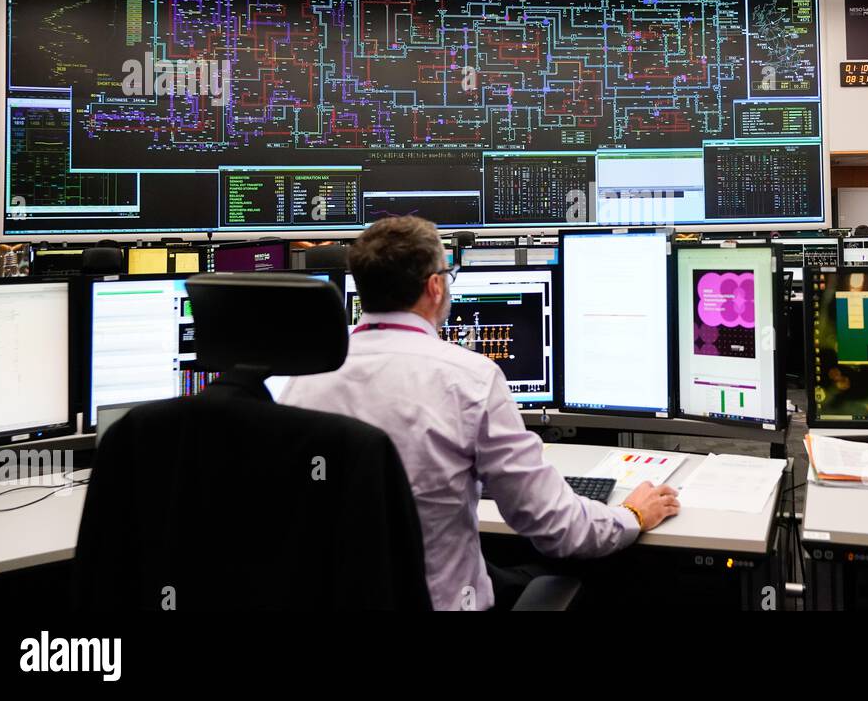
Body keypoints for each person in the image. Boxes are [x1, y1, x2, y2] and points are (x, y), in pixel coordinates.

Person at [280, 216, 679, 610]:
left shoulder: (304, 378)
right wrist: (630, 515)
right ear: (435, 286)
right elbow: (556, 526)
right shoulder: (469, 378)